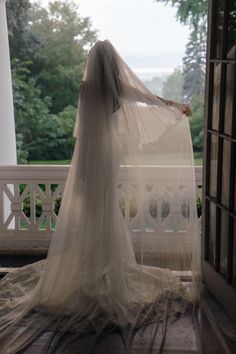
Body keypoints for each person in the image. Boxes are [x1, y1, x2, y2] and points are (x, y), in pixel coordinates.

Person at [0, 40, 200, 353]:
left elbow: (81, 129)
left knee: (94, 211)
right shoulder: (117, 87)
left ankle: (92, 269)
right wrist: (175, 105)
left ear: (92, 63)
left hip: (88, 154)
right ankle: (104, 270)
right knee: (105, 209)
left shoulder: (85, 87)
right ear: (112, 63)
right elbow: (148, 99)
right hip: (107, 152)